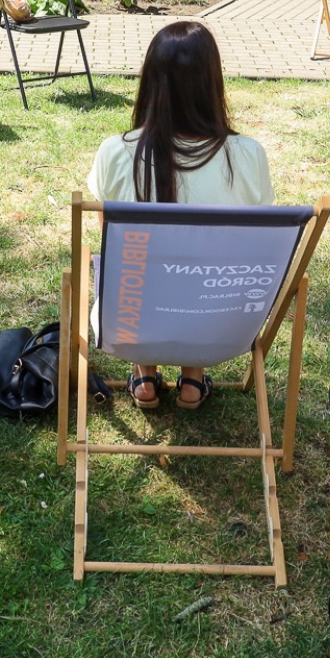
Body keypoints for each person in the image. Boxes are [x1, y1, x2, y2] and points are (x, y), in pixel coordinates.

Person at [86, 21, 275, 409]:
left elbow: (115, 245)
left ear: (151, 82)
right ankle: (193, 378)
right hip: (222, 327)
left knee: (135, 264)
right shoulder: (249, 156)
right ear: (212, 82)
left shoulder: (115, 152)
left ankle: (143, 374)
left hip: (130, 327)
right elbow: (252, 249)